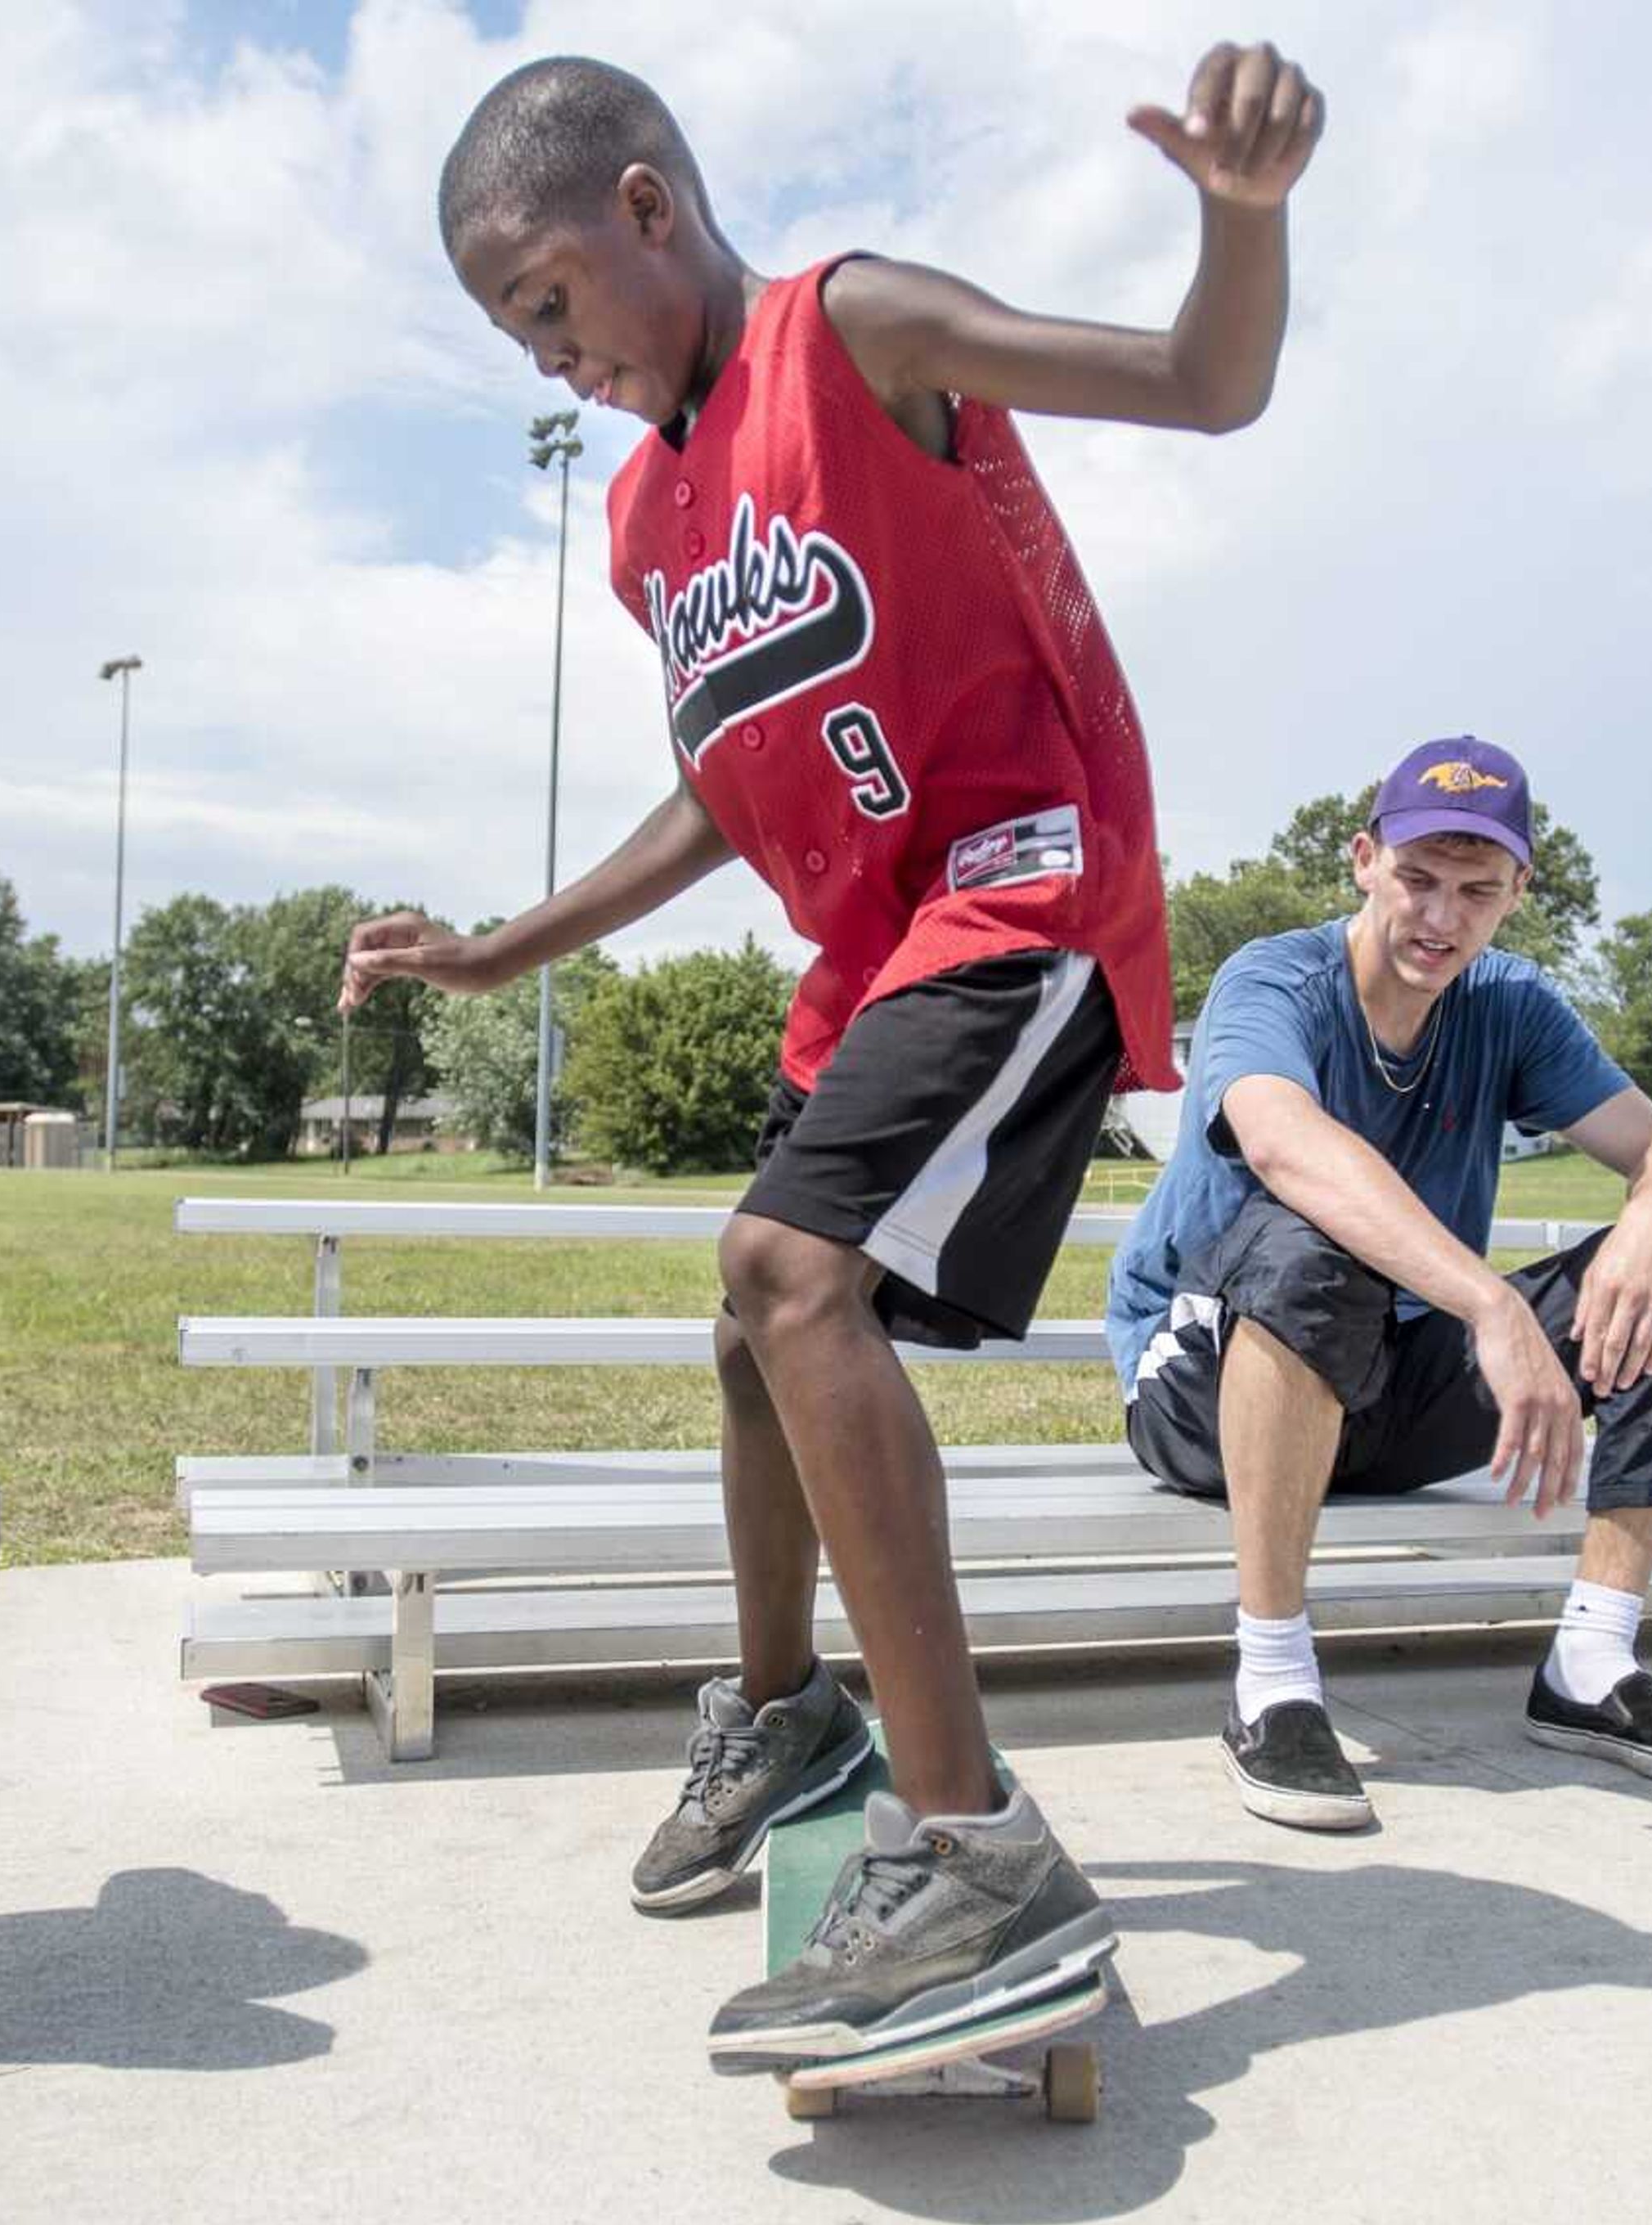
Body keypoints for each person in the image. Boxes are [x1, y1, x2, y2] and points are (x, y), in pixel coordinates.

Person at [341, 42, 1323, 2070]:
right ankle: (793, 1712)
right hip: (875, 950)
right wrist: (499, 949)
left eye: (546, 304)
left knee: (796, 1273)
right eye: (508, 335)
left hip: (1021, 880)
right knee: (745, 1319)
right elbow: (720, 787)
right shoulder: (641, 518)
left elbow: (1201, 383)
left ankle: (971, 1840)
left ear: (643, 208)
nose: (550, 356)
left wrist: (1242, 216)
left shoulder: (850, 328)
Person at [1106, 739, 1652, 1832]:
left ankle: (1591, 1661)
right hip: (1203, 1378)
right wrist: (1494, 1303)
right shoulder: (1274, 977)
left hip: (1384, 1389)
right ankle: (1274, 1683)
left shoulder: (1510, 1006)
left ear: (1518, 892)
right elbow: (1287, 1148)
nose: (1442, 915)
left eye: (1478, 890)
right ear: (1364, 859)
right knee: (1313, 1238)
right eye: (1419, 877)